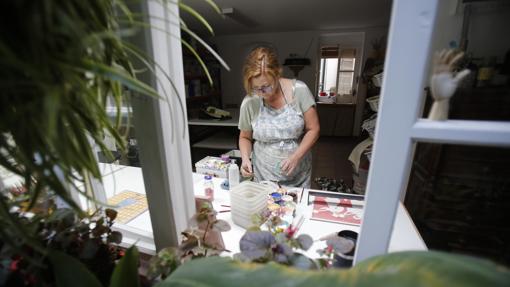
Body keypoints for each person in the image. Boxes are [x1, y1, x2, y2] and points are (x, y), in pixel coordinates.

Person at [238, 47, 320, 188]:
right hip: (263, 176)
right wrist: (245, 158)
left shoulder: (299, 91)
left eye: (266, 86)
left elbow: (314, 129)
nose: (262, 92)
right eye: (256, 88)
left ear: (277, 74)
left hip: (299, 175)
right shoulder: (250, 101)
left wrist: (296, 157)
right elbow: (245, 137)